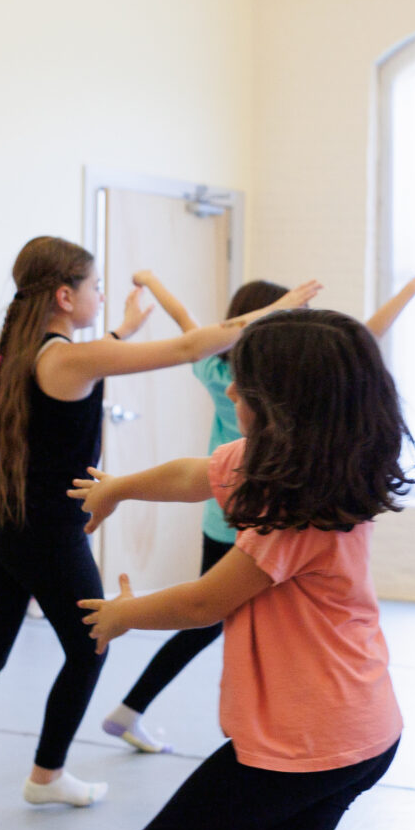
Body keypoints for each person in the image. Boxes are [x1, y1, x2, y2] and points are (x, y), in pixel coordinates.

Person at [62, 309, 408, 830]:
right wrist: (118, 487)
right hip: (358, 729)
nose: (233, 402)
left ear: (272, 406)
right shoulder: (297, 472)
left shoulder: (298, 512)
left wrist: (118, 614)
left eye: (240, 391)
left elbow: (204, 602)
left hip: (308, 738)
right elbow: (195, 473)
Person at [0, 239, 250, 828]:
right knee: (93, 645)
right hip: (47, 536)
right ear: (66, 296)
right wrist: (282, 308)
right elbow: (193, 346)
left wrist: (120, 329)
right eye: (94, 286)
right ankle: (47, 776)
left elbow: (86, 367)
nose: (99, 294)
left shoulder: (19, 350)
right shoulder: (67, 358)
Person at [100, 273, 356, 754]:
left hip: (219, 514)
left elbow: (185, 324)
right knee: (212, 616)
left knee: (216, 618)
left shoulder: (213, 369)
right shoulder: (260, 386)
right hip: (248, 508)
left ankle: (132, 708)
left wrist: (156, 281)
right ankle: (135, 708)